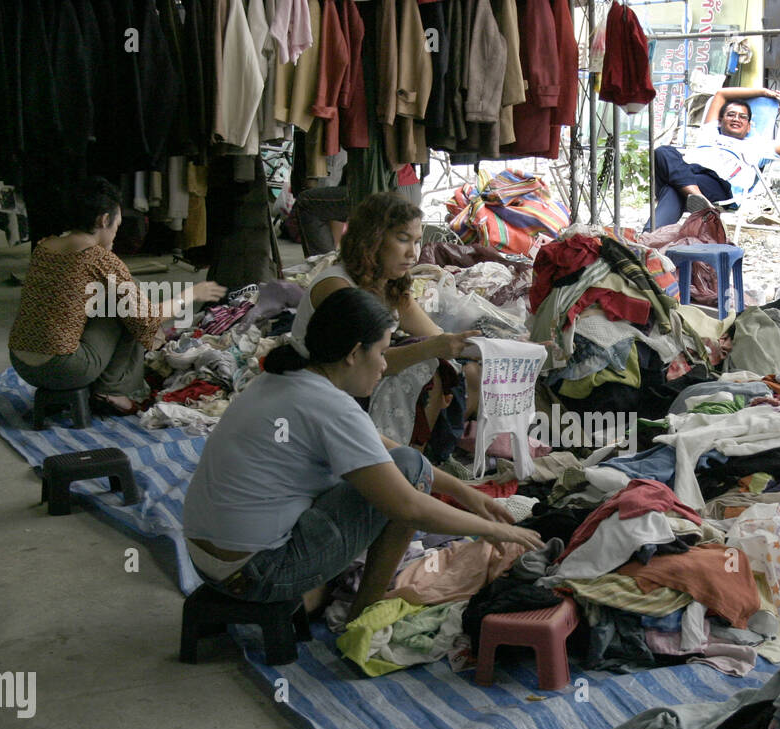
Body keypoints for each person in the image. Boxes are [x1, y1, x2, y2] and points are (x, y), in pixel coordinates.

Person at [182, 286, 544, 621]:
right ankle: (363, 609)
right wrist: (494, 531)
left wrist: (467, 494)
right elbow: (410, 505)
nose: (386, 365)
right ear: (355, 353)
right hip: (255, 573)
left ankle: (316, 593)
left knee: (403, 465)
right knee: (408, 476)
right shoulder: (331, 406)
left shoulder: (284, 378)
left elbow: (381, 447)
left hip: (207, 562)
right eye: (382, 352)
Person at [8, 177, 225, 414]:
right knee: (130, 310)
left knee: (123, 296)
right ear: (103, 220)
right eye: (117, 226)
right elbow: (148, 318)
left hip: (21, 361)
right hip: (62, 368)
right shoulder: (101, 260)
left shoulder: (45, 246)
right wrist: (192, 293)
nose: (115, 234)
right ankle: (111, 391)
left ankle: (107, 383)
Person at [291, 192, 482, 451]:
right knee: (430, 369)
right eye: (403, 240)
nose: (412, 254)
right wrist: (433, 348)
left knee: (472, 373)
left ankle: (418, 456)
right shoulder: (337, 287)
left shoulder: (389, 283)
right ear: (372, 239)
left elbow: (436, 334)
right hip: (326, 387)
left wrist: (506, 350)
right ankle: (408, 464)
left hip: (365, 375)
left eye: (416, 242)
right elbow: (360, 363)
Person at [649, 87, 780, 229]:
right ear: (720, 121)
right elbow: (721, 94)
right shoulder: (709, 132)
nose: (736, 118)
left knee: (673, 189)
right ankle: (698, 200)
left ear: (749, 126)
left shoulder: (757, 146)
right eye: (731, 114)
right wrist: (764, 92)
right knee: (663, 151)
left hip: (718, 184)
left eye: (742, 117)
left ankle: (647, 238)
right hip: (689, 173)